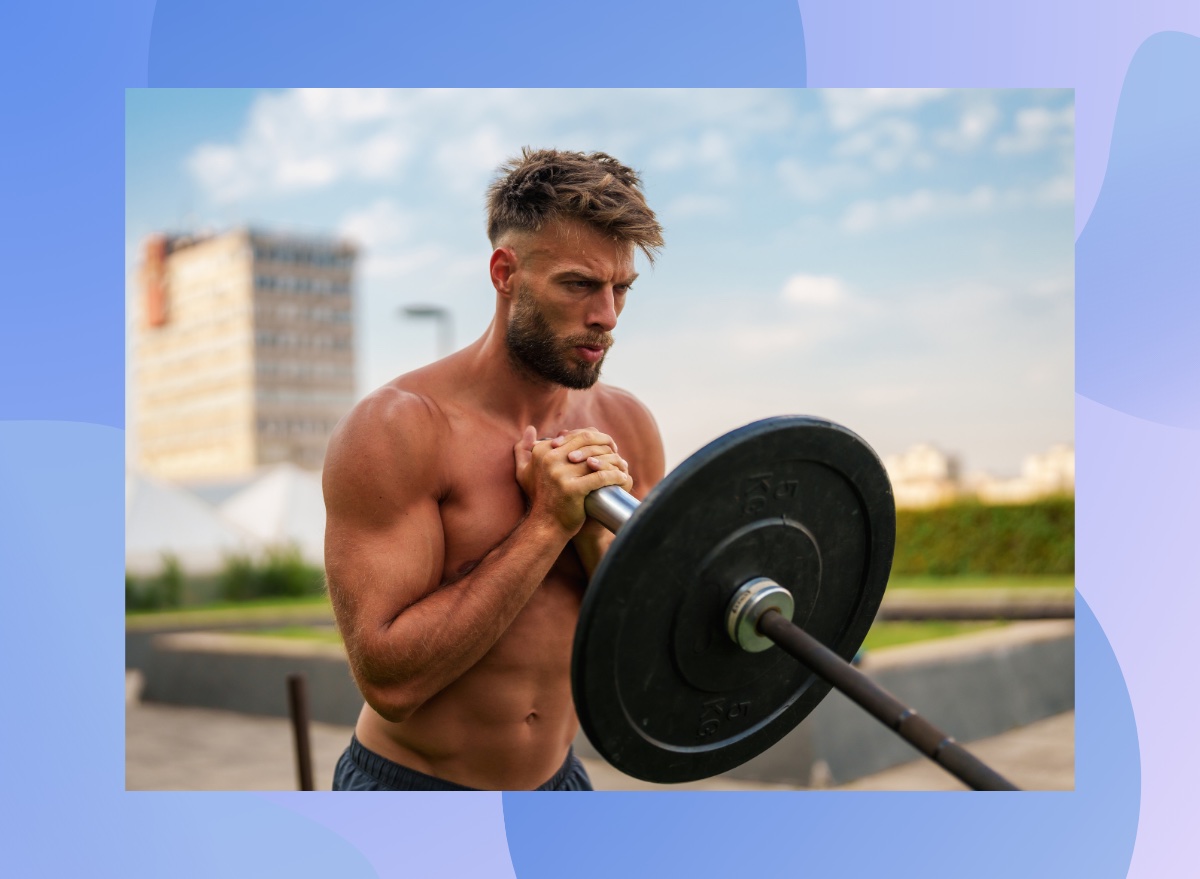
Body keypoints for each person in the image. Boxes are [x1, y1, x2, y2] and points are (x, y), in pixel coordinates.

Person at [323, 148, 667, 790]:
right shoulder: (399, 429)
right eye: (578, 284)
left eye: (620, 288)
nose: (608, 316)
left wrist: (593, 536)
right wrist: (544, 527)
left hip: (560, 783)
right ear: (505, 272)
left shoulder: (629, 427)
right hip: (413, 793)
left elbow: (647, 648)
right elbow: (389, 683)